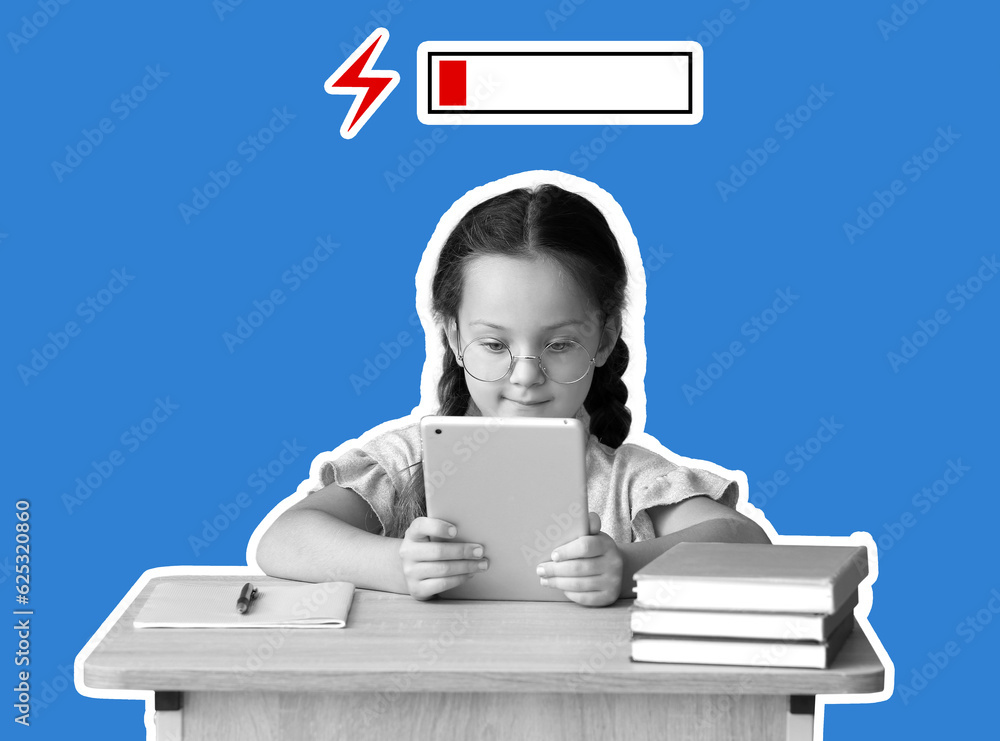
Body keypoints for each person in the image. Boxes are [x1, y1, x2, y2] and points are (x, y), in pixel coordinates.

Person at [254, 182, 769, 607]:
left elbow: (746, 543)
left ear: (604, 338)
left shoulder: (631, 484)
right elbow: (286, 539)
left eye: (559, 343)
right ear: (454, 338)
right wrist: (395, 564)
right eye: (496, 344)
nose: (526, 375)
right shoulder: (406, 464)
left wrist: (627, 566)